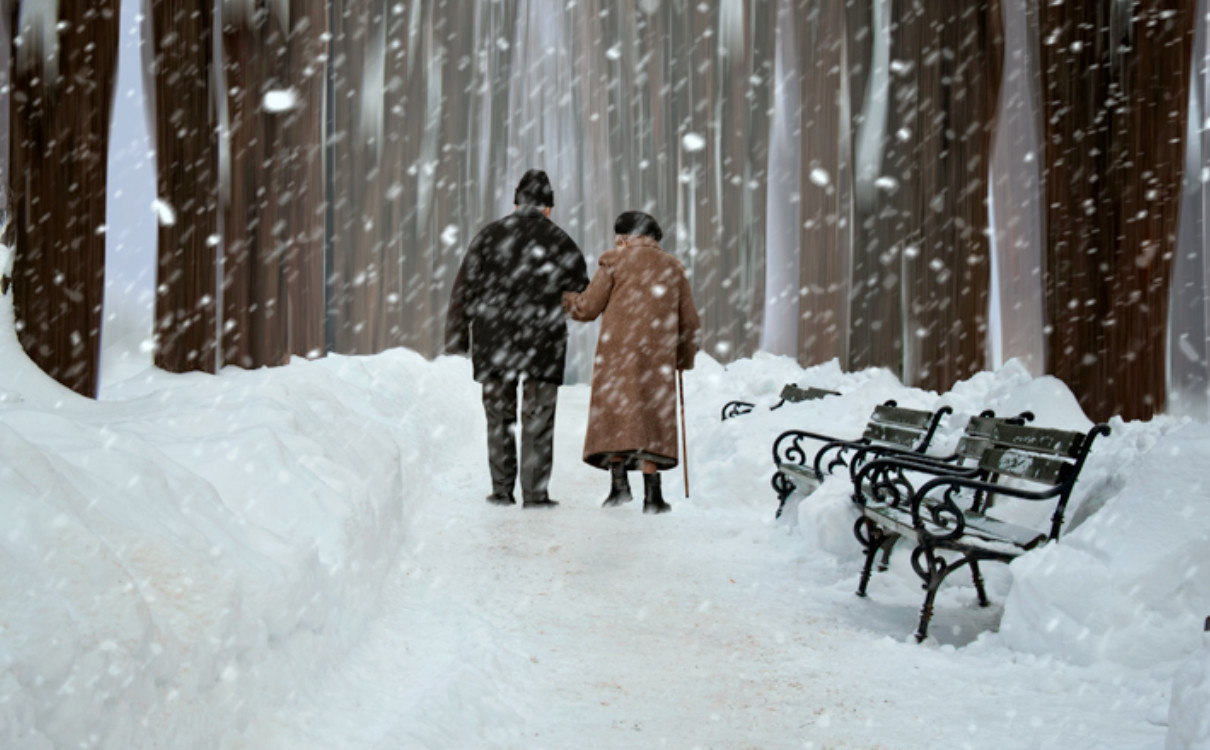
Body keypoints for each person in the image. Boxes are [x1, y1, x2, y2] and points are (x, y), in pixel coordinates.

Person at [444, 169, 589, 508]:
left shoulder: (489, 236)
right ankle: (535, 494)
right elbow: (581, 287)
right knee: (538, 417)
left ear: (515, 203)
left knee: (499, 418)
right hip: (542, 342)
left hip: (493, 341)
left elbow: (463, 289)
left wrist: (456, 340)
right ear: (548, 207)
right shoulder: (560, 241)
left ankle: (502, 490)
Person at [562, 211, 701, 514]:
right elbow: (690, 322)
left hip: (616, 355)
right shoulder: (673, 268)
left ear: (624, 237)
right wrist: (683, 357)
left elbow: (586, 309)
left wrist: (564, 298)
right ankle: (653, 497)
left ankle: (619, 487)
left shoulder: (613, 261)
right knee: (650, 418)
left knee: (616, 413)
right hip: (658, 358)